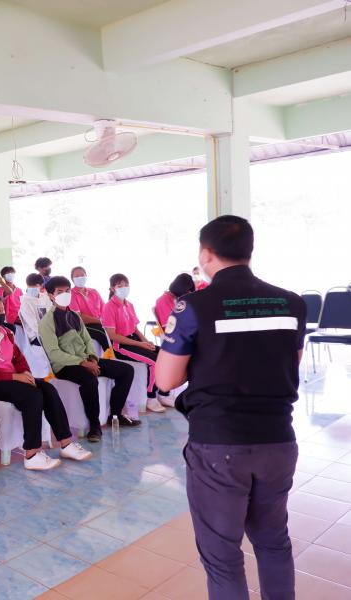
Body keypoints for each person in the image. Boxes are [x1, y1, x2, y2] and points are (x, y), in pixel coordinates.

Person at [156, 215, 306, 600]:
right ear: (249, 251)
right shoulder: (292, 303)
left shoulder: (192, 307)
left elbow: (166, 380)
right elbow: (291, 364)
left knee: (222, 557)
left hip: (218, 444)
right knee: (273, 542)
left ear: (206, 254)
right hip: (278, 440)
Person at [0, 295, 92, 469]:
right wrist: (15, 377)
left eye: (1, 310)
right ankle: (32, 454)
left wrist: (25, 373)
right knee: (32, 396)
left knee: (48, 389)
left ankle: (66, 442)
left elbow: (18, 359)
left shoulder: (7, 332)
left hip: (12, 378)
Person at [39, 277, 138, 443]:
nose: (65, 294)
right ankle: (94, 425)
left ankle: (115, 415)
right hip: (64, 366)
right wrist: (82, 363)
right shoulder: (47, 322)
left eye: (67, 291)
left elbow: (87, 341)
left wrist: (92, 358)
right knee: (89, 379)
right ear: (50, 295)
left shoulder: (74, 316)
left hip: (86, 359)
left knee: (126, 370)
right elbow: (54, 353)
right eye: (59, 292)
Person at [102, 274, 171, 412]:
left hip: (134, 341)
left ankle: (164, 394)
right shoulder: (108, 307)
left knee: (166, 354)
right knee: (154, 361)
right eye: (119, 286)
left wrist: (146, 342)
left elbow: (135, 329)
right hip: (121, 346)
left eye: (126, 285)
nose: (124, 288)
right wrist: (140, 345)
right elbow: (112, 335)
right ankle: (151, 398)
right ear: (112, 288)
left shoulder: (129, 305)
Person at [69, 267, 110, 352]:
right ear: (72, 279)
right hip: (82, 326)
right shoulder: (71, 294)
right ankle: (110, 356)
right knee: (102, 332)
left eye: (82, 275)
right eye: (76, 276)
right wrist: (100, 321)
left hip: (99, 322)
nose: (80, 277)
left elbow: (105, 310)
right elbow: (78, 317)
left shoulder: (94, 291)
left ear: (86, 276)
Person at [18, 274, 53, 346]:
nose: (33, 288)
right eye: (30, 286)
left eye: (36, 285)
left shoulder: (45, 297)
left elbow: (52, 314)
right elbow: (34, 326)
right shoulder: (25, 302)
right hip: (35, 336)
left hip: (48, 330)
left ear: (41, 285)